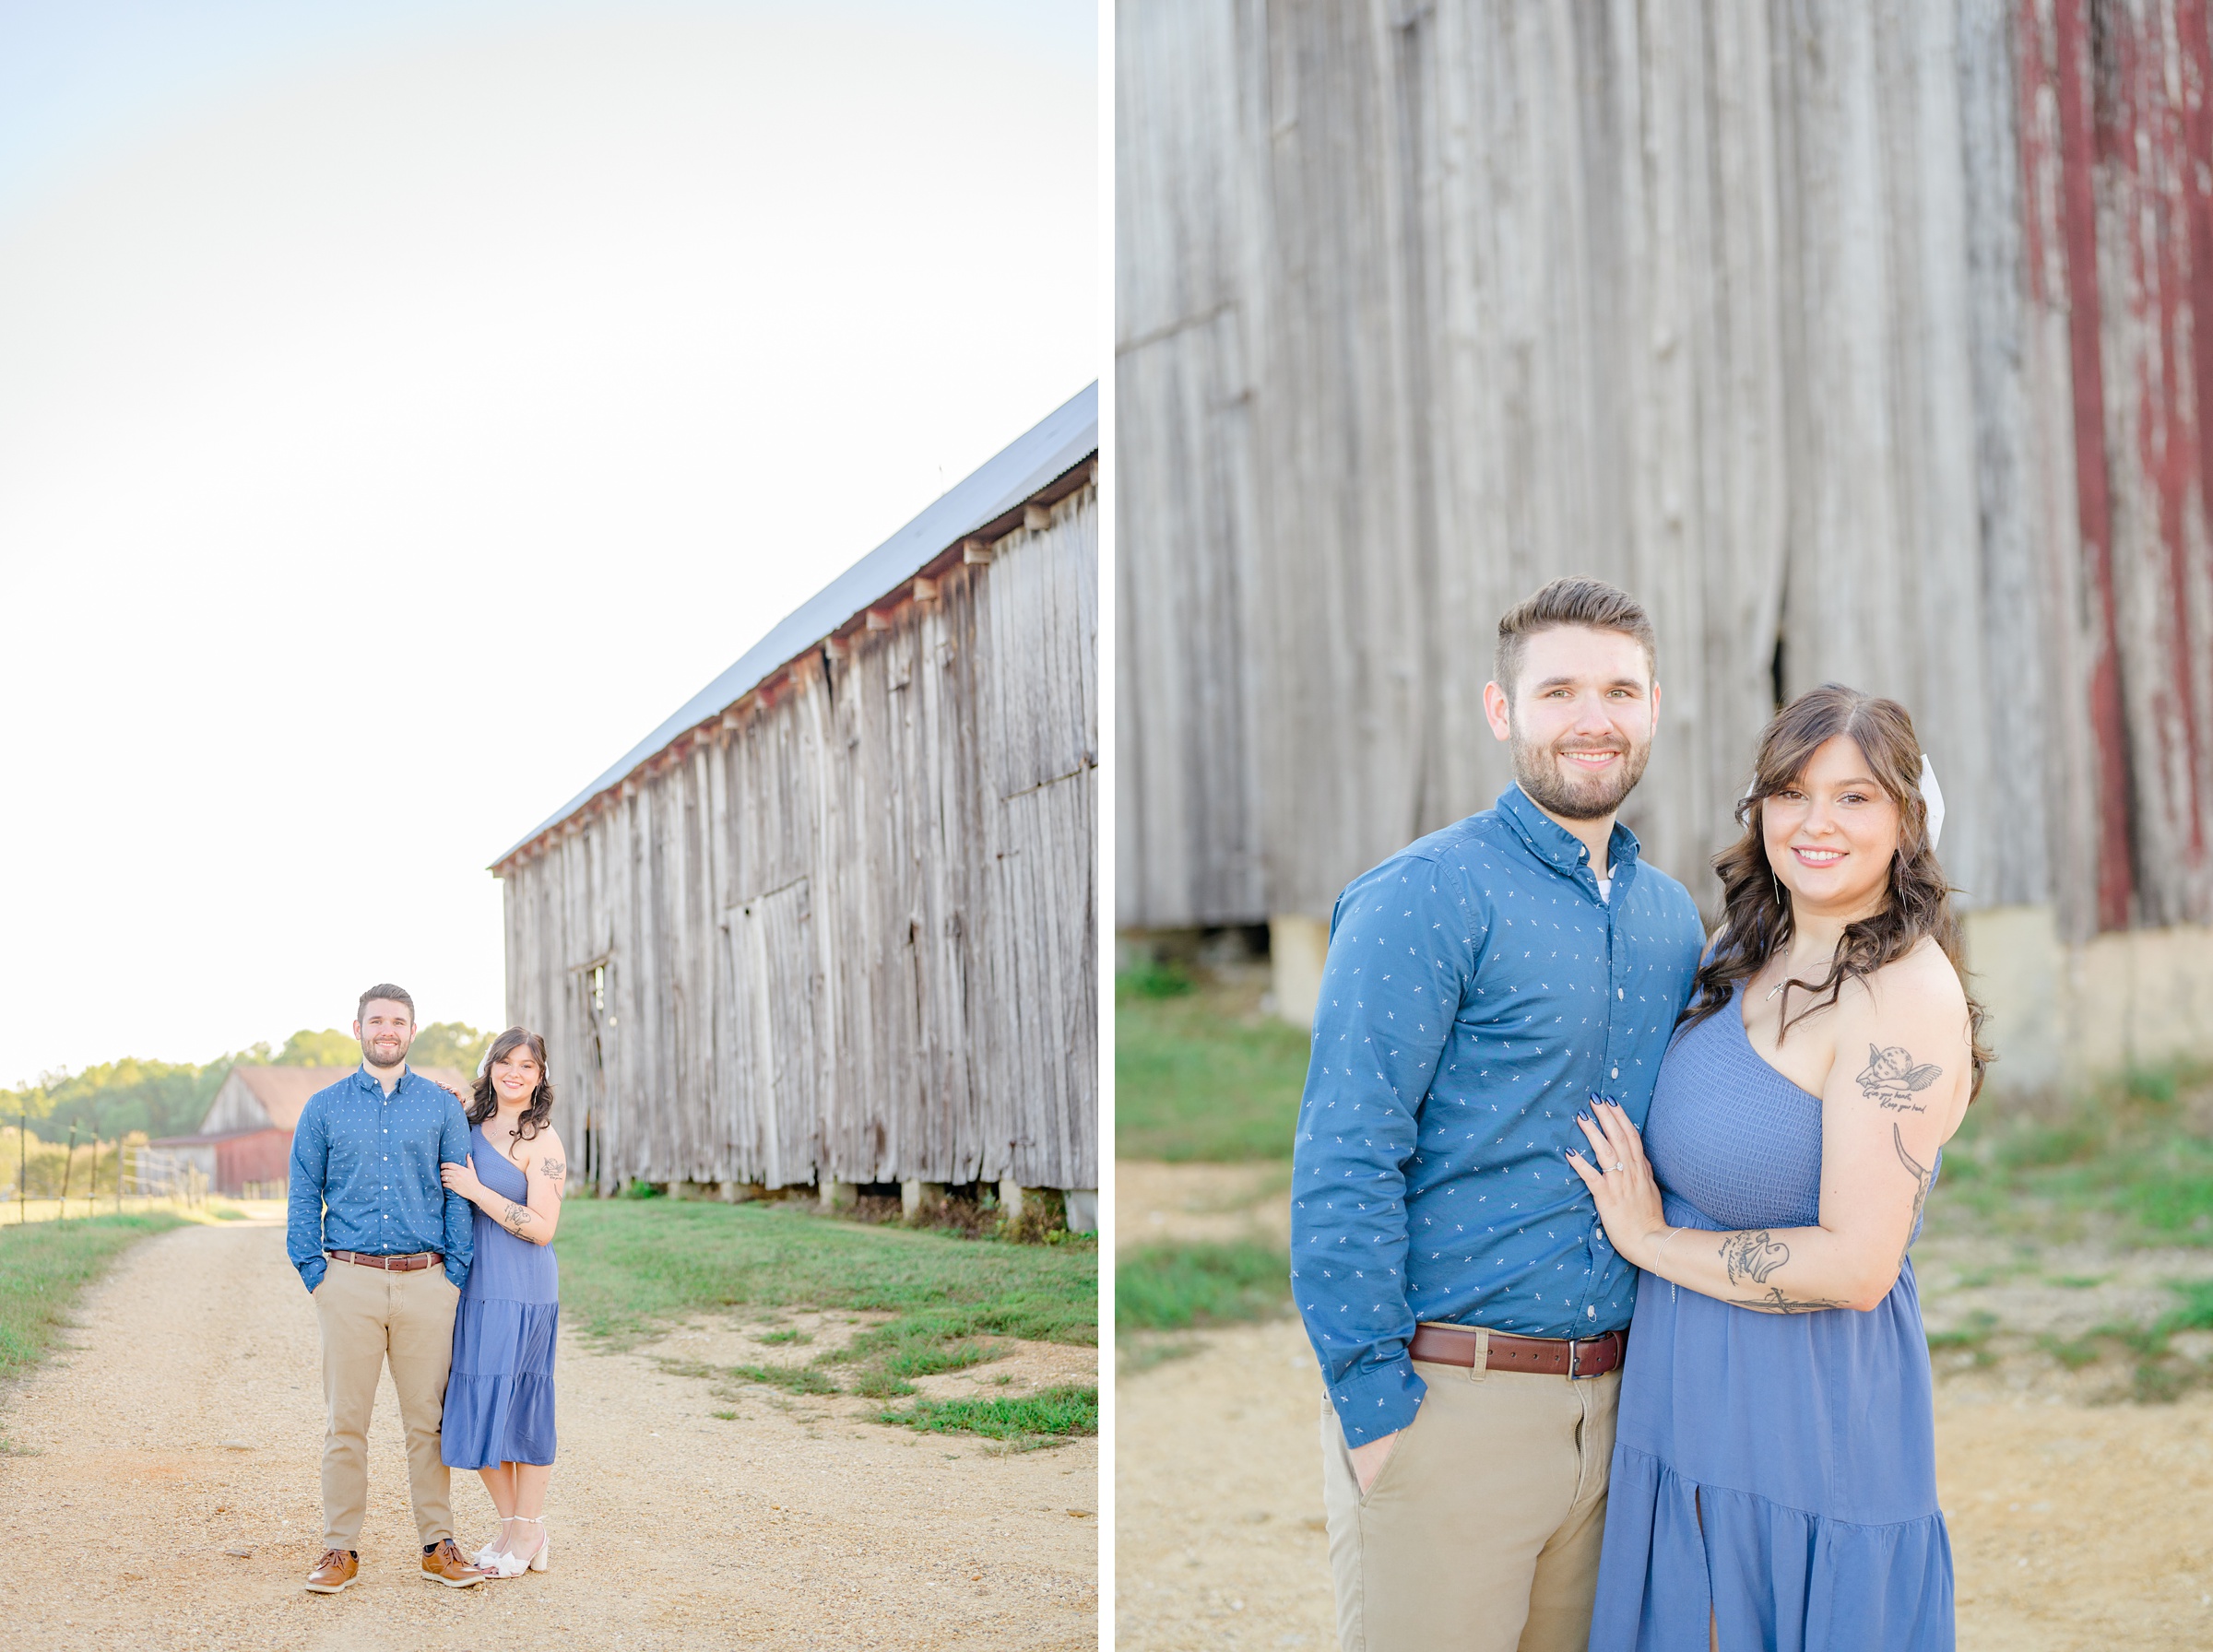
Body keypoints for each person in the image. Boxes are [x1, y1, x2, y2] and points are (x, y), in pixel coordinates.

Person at [1291, 576, 1709, 1652]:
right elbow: (1346, 1153)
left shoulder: (1670, 919)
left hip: (1619, 1415)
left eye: (1619, 690)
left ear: (1654, 708)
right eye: (1558, 689)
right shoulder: (1424, 894)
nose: (1592, 718)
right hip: (1451, 1406)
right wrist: (1376, 1409)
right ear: (1501, 710)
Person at [1571, 685, 1983, 1650]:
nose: (1816, 822)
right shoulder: (1743, 949)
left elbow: (1856, 1265)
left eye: (1854, 797)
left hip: (1805, 1420)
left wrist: (1650, 1240)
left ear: (1907, 820)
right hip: (1683, 1396)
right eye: (1792, 792)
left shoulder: (1903, 996)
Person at [287, 983, 487, 1593]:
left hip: (427, 1282)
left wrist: (454, 1274)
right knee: (345, 1422)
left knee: (426, 1422)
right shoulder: (322, 1108)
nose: (387, 1031)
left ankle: (437, 1544)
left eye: (398, 1022)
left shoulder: (440, 1107)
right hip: (347, 1282)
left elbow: (458, 1189)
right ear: (358, 1029)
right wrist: (316, 1275)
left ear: (411, 1031)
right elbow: (302, 1194)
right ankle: (339, 1549)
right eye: (377, 1021)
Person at [437, 1026, 567, 1577]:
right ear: (491, 1067)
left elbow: (541, 1228)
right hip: (473, 1285)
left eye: (527, 1066)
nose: (515, 1073)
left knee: (522, 1408)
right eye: (505, 1062)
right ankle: (518, 1528)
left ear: (540, 1078)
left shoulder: (543, 1141)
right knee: (473, 1404)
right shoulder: (467, 1125)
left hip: (522, 1287)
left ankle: (528, 1528)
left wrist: (476, 1190)